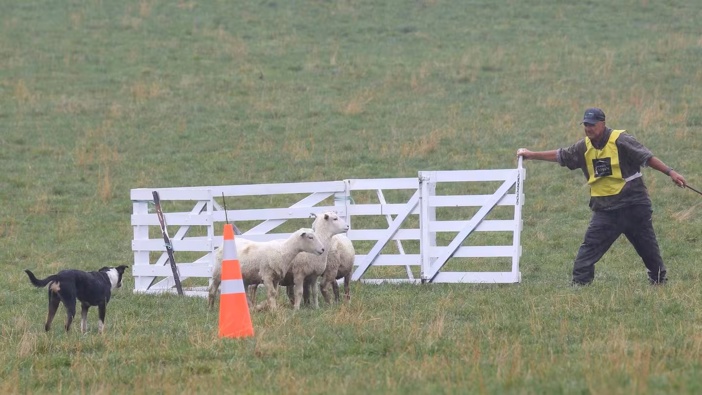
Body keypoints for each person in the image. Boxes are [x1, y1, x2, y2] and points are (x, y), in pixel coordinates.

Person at [516, 107, 687, 285]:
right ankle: (580, 285)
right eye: (586, 125)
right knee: (588, 249)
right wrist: (532, 155)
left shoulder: (621, 140)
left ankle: (658, 280)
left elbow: (647, 157)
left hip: (634, 206)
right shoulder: (583, 146)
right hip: (606, 210)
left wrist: (671, 173)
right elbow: (562, 155)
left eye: (592, 124)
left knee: (648, 247)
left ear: (603, 124)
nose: (588, 128)